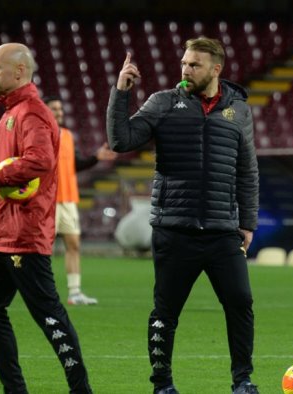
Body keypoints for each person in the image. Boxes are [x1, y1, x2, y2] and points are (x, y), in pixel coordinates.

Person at [106, 37, 260, 394]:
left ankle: (243, 381)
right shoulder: (163, 103)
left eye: (195, 65)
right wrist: (121, 93)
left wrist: (247, 222)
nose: (186, 70)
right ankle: (162, 384)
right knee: (166, 311)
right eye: (184, 63)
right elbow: (120, 140)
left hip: (223, 230)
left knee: (240, 303)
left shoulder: (239, 110)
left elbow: (247, 169)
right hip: (175, 229)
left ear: (216, 69)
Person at [0, 43, 93, 394]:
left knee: (49, 316)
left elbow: (40, 160)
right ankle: (15, 389)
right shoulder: (9, 115)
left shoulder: (33, 113)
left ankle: (81, 389)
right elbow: (8, 178)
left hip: (24, 237)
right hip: (0, 234)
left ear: (19, 72)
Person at [43, 96, 118, 306]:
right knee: (42, 249)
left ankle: (74, 293)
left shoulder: (67, 135)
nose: (59, 112)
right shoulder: (39, 135)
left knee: (73, 244)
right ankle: (42, 293)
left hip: (67, 199)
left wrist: (96, 157)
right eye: (54, 109)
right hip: (46, 201)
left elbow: (75, 164)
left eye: (60, 108)